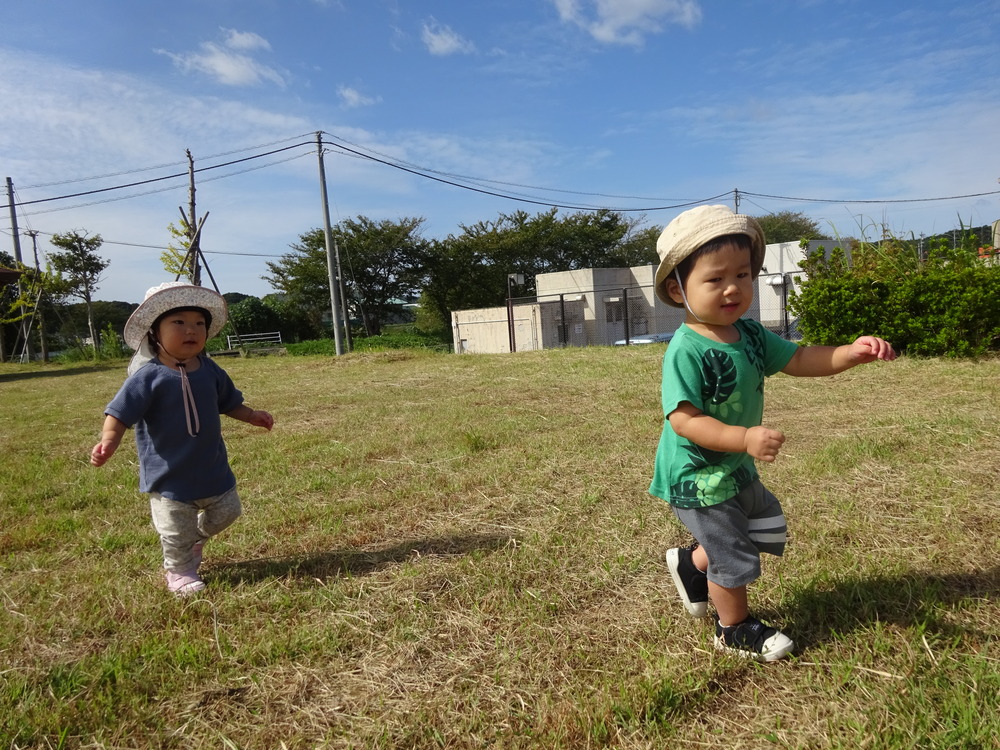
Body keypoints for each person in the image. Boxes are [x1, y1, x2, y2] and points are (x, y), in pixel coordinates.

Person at [649, 205, 896, 661]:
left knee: (761, 524)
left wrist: (849, 353)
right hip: (698, 476)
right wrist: (743, 439)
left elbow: (799, 359)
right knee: (734, 554)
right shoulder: (686, 349)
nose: (733, 288)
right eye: (715, 278)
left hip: (733, 469)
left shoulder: (749, 333)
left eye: (743, 275)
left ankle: (691, 562)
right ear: (676, 288)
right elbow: (683, 420)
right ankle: (733, 628)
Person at [91, 281, 274, 596]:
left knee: (229, 511)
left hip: (212, 468)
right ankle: (180, 572)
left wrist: (251, 415)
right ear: (154, 333)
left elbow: (229, 403)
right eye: (179, 323)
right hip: (169, 477)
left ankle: (196, 538)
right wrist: (109, 440)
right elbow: (119, 413)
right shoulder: (148, 377)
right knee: (175, 531)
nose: (191, 330)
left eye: (199, 324)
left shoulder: (210, 369)